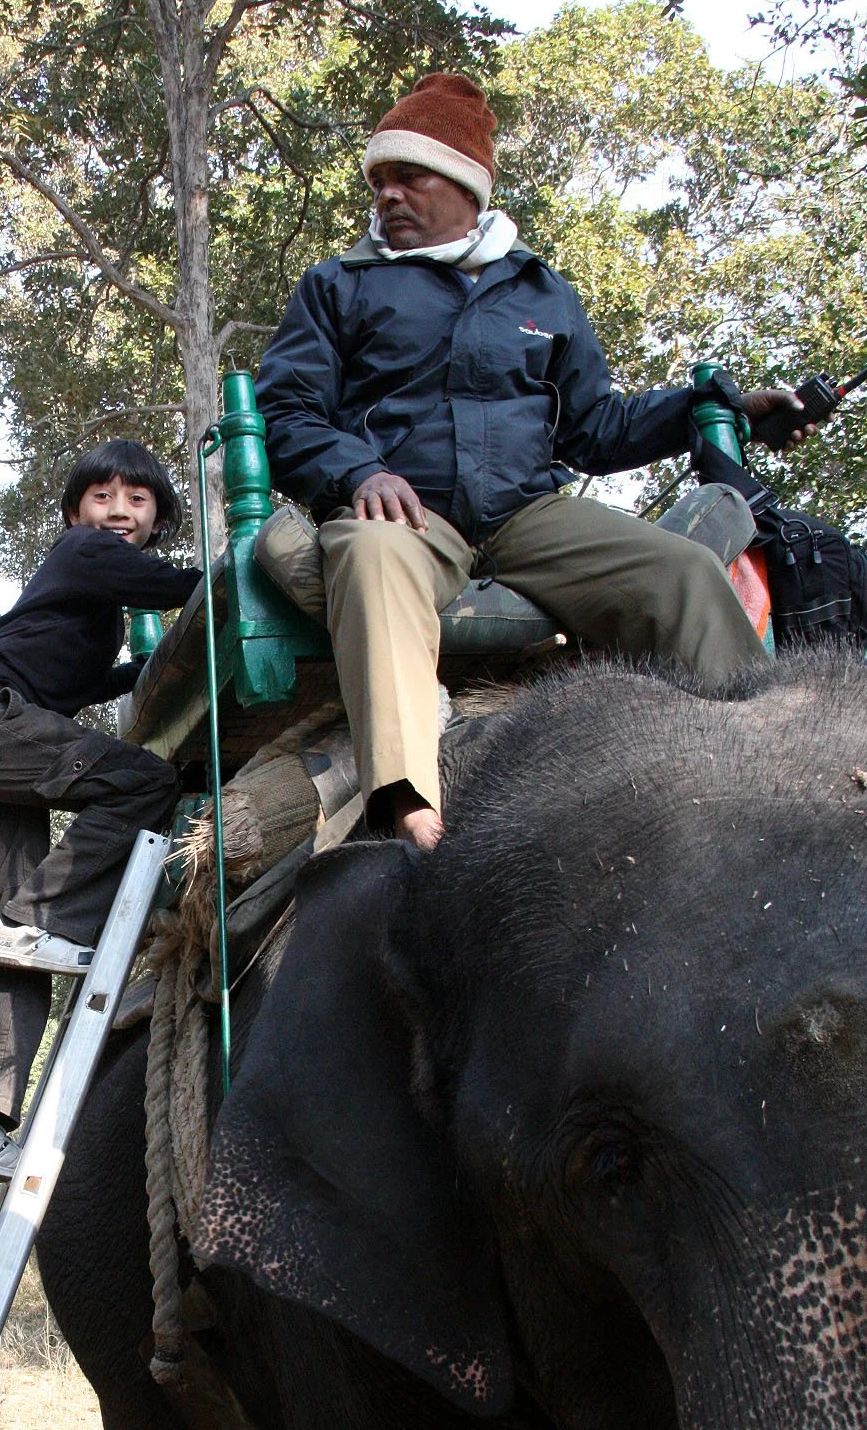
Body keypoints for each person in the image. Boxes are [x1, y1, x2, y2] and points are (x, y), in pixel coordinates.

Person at [255, 74, 813, 849]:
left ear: (467, 185)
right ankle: (408, 801)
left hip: (527, 512)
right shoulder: (339, 286)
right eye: (378, 181)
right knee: (372, 553)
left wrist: (707, 409)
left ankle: (785, 765)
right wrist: (356, 473)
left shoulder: (542, 292)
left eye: (408, 176)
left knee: (682, 572)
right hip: (408, 510)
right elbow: (286, 410)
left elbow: (594, 429)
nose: (387, 195)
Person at [0, 441, 200, 1178]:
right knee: (143, 783)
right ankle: (43, 916)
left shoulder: (88, 602)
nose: (118, 511)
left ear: (156, 517)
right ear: (76, 512)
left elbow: (69, 681)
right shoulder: (84, 552)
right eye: (103, 496)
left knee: (16, 936)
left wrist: (132, 673)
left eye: (138, 500)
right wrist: (223, 582)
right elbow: (174, 589)